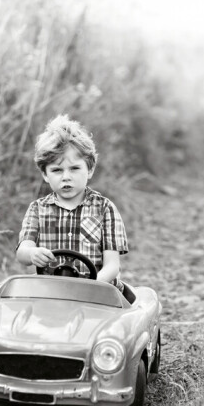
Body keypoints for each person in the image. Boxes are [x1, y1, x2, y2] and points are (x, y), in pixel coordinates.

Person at [16, 114, 128, 292]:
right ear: (45, 175)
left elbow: (112, 266)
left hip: (97, 291)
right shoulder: (37, 209)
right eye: (57, 170)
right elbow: (22, 253)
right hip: (51, 291)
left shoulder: (104, 209)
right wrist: (32, 253)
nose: (66, 177)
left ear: (89, 169)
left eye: (75, 168)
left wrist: (92, 286)